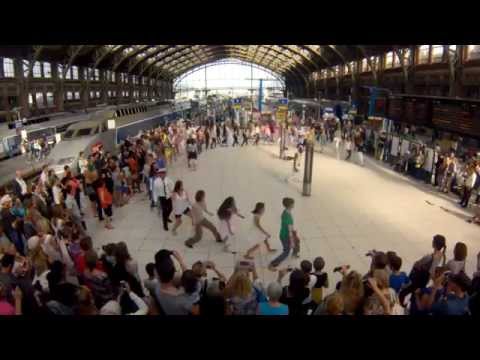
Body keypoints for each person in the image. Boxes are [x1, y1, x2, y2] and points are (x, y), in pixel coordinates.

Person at [269, 197, 298, 271]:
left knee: (297, 241)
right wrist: (291, 242)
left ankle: (294, 252)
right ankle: (273, 264)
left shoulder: (285, 212)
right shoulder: (288, 217)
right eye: (293, 203)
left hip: (282, 233)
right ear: (290, 205)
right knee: (286, 252)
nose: (294, 205)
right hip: (286, 236)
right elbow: (290, 233)